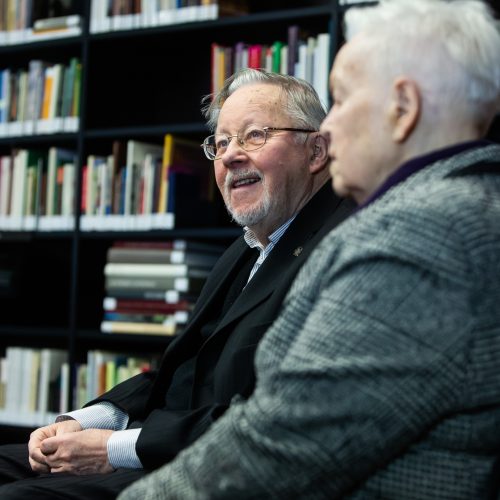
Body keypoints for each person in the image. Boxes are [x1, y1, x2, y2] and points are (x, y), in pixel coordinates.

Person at [117, 0, 500, 498]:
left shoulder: (423, 237)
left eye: (341, 99)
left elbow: (276, 450)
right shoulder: (461, 208)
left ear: (403, 109)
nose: (328, 129)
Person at [0, 69, 353, 499]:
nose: (230, 156)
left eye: (254, 135)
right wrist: (85, 422)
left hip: (216, 470)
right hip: (165, 443)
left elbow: (276, 418)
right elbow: (180, 372)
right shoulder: (248, 246)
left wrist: (115, 448)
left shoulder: (338, 248)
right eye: (221, 143)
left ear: (316, 150)